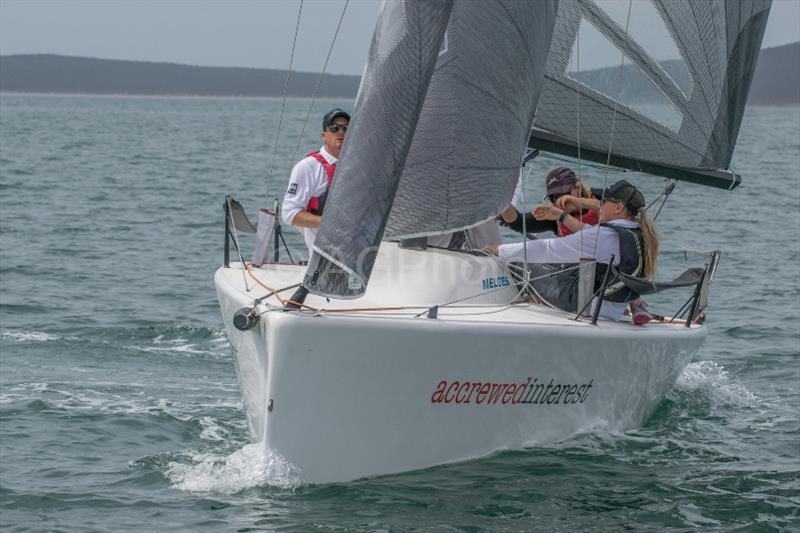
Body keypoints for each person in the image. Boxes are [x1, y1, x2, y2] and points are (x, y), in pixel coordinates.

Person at [485, 180, 659, 323]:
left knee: (518, 265)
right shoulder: (639, 233)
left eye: (603, 201)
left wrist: (499, 250)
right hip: (612, 309)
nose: (599, 206)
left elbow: (548, 249)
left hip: (586, 307)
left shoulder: (602, 235)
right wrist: (559, 215)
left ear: (618, 208)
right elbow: (588, 233)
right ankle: (638, 306)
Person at [281, 108, 350, 255]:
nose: (341, 132)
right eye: (334, 128)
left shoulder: (359, 166)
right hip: (324, 257)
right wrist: (328, 222)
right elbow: (289, 214)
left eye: (346, 128)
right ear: (324, 135)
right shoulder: (306, 167)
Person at [499, 167, 599, 237]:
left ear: (578, 188)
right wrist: (502, 203)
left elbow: (613, 207)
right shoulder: (554, 216)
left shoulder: (600, 197)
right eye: (553, 197)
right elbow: (518, 222)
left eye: (564, 194)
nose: (559, 201)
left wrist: (579, 202)